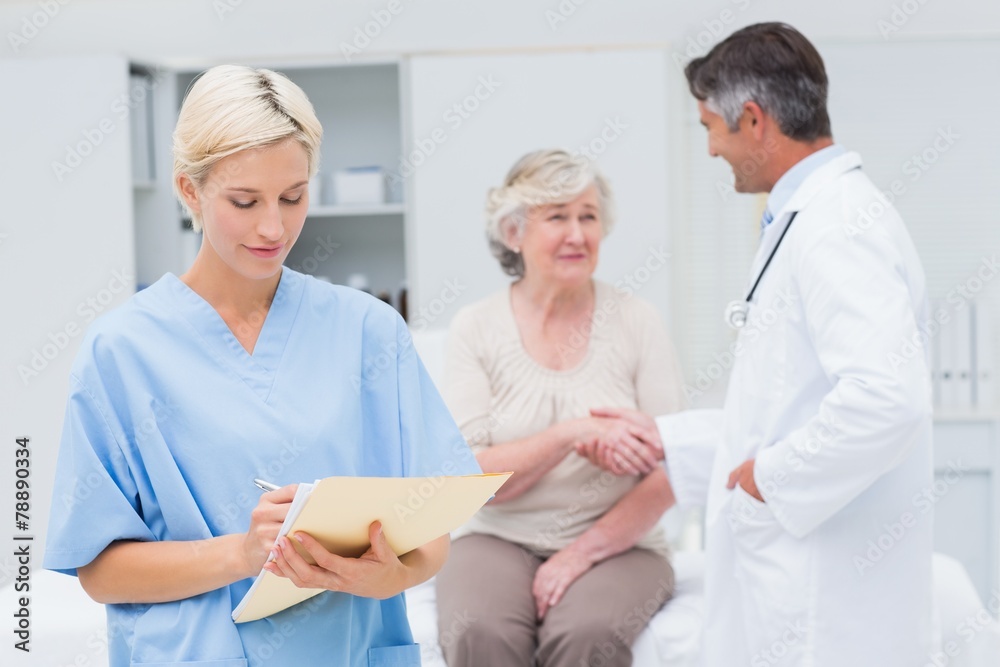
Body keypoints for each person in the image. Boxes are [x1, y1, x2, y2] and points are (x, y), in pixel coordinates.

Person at [43, 64, 479, 667]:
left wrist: (384, 578)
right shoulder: (121, 351)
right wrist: (243, 555)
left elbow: (430, 535)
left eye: (293, 197)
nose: (274, 227)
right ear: (189, 190)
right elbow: (99, 570)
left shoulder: (368, 331)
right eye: (244, 201)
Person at [584, 23, 934, 666]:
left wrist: (769, 478)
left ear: (752, 120)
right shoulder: (810, 219)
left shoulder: (835, 228)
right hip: (804, 576)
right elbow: (787, 405)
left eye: (709, 127)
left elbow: (887, 401)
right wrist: (667, 437)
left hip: (824, 597)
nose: (711, 149)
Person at [434, 149, 685, 667]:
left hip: (621, 543)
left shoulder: (638, 321)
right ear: (513, 233)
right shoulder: (475, 328)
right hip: (496, 538)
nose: (577, 234)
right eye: (557, 217)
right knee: (479, 632)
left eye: (588, 217)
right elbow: (470, 480)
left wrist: (580, 554)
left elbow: (674, 468)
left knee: (586, 635)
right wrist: (571, 434)